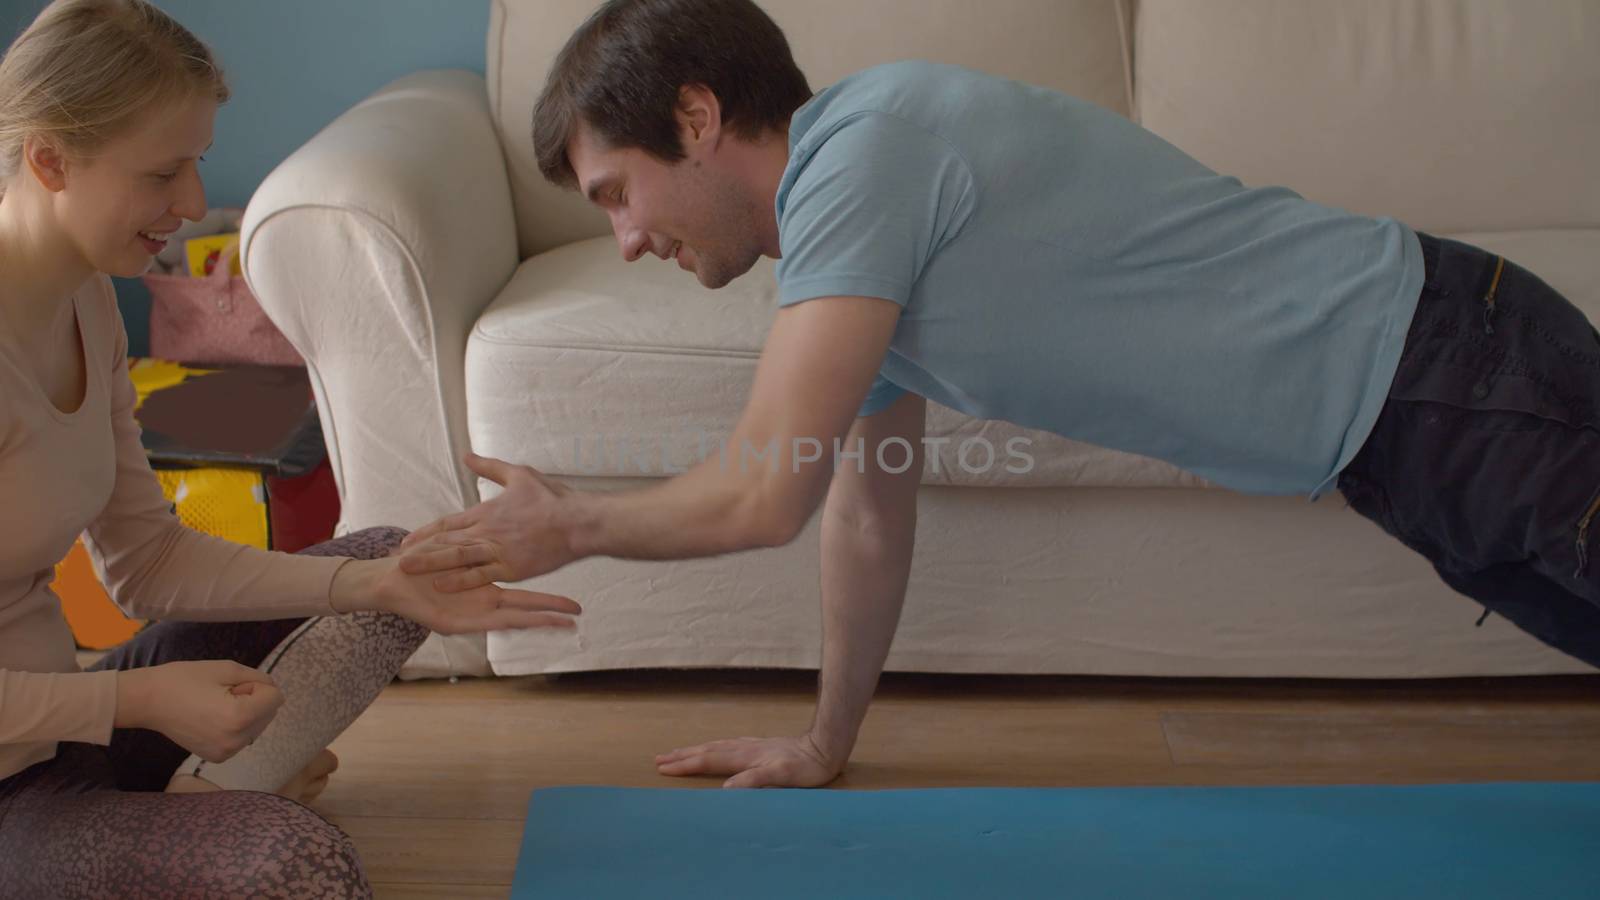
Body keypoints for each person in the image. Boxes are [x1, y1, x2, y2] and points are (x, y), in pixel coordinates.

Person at [401, 0, 1600, 790]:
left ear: (698, 120)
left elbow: (760, 498)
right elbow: (864, 514)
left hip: (1452, 372)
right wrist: (826, 743)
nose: (621, 238)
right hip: (1405, 431)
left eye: (617, 192)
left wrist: (575, 526)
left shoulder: (864, 157)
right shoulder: (845, 259)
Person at [0, 2, 581, 897]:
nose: (191, 204)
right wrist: (139, 702)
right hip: (15, 788)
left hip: (71, 732)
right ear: (48, 159)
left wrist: (366, 585)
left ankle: (182, 807)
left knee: (400, 566)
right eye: (163, 173)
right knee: (298, 866)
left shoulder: (84, 304)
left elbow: (145, 561)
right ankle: (190, 810)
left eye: (192, 164)